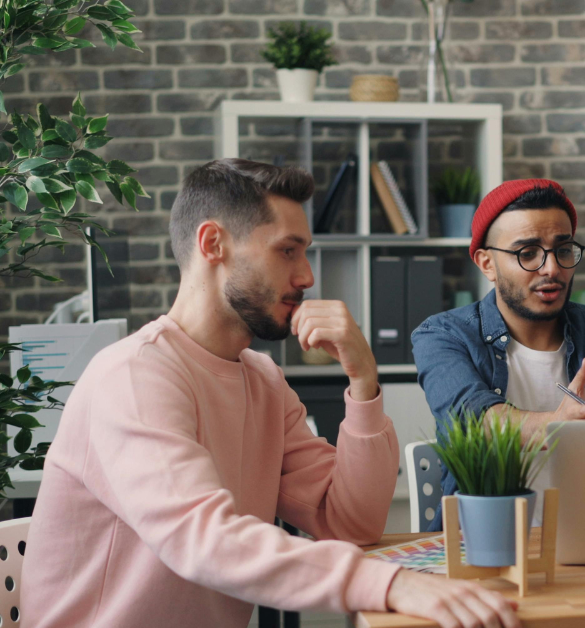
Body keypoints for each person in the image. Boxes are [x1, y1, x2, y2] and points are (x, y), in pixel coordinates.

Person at [23, 159, 520, 628]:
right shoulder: (133, 375)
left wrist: (365, 383)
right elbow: (204, 540)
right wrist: (391, 584)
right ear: (213, 243)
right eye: (288, 250)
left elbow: (350, 522)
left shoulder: (262, 379)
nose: (306, 276)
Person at [412, 179, 585, 530]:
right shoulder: (442, 335)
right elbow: (471, 421)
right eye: (527, 253)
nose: (551, 269)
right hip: (482, 545)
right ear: (486, 264)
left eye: (563, 250)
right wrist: (558, 428)